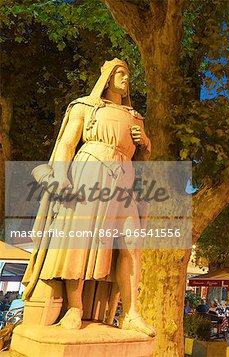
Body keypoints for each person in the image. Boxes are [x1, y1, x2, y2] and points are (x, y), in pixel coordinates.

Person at [21, 58, 154, 336]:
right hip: (90, 171)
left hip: (123, 180)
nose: (126, 79)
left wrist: (144, 144)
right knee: (78, 242)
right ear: (106, 77)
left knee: (131, 245)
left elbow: (140, 162)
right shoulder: (85, 106)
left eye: (128, 75)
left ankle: (130, 313)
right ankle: (75, 307)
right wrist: (61, 179)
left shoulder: (135, 117)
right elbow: (67, 143)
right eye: (120, 73)